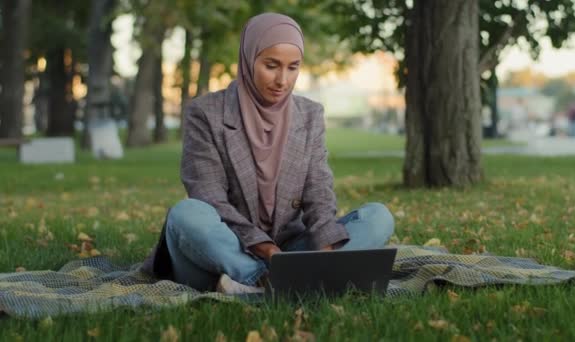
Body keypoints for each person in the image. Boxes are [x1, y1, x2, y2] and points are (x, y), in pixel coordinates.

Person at [141, 13, 395, 294]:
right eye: (271, 66)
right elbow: (208, 196)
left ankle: (285, 282)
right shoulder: (205, 113)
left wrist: (327, 256)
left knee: (378, 217)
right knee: (185, 213)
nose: (282, 80)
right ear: (249, 60)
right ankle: (268, 281)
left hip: (291, 249)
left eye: (292, 67)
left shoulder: (309, 115)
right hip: (226, 251)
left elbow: (318, 193)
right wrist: (268, 252)